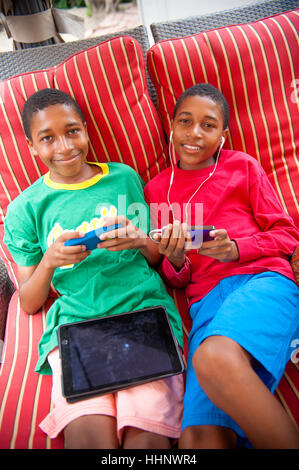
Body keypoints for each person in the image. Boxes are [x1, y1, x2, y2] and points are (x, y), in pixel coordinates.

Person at [3, 88, 184, 449]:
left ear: (86, 130)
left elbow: (155, 259)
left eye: (72, 131)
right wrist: (50, 261)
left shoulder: (123, 178)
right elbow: (27, 301)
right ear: (31, 146)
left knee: (147, 439)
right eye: (47, 138)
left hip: (143, 311)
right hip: (77, 325)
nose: (65, 146)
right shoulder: (26, 208)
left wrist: (138, 239)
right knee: (89, 438)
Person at [144, 83, 299, 449]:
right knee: (199, 439)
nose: (194, 133)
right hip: (205, 304)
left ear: (222, 135)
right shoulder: (155, 190)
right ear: (172, 125)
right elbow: (177, 278)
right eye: (185, 121)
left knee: (213, 357)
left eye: (208, 125)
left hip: (261, 282)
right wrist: (177, 258)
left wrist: (236, 249)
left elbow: (287, 233)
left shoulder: (242, 166)